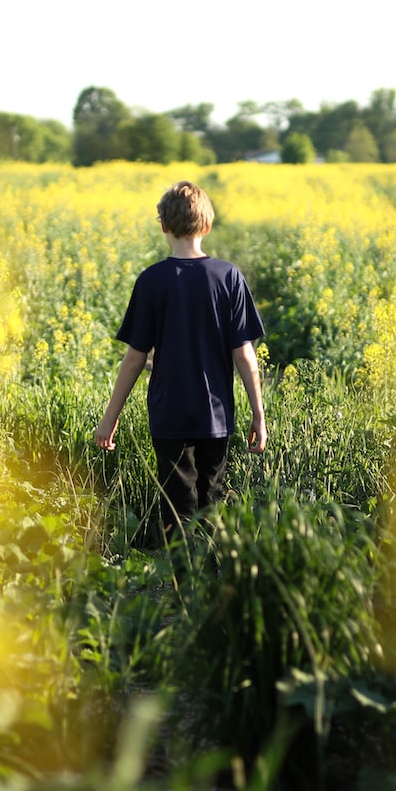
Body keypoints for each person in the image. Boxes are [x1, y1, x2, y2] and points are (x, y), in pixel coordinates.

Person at [94, 180, 268, 539]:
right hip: (216, 415)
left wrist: (110, 418)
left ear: (163, 225)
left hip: (169, 414)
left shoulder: (152, 281)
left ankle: (182, 584)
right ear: (207, 225)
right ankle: (208, 582)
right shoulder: (229, 277)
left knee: (177, 509)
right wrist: (258, 414)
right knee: (211, 504)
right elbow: (245, 355)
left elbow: (133, 360)